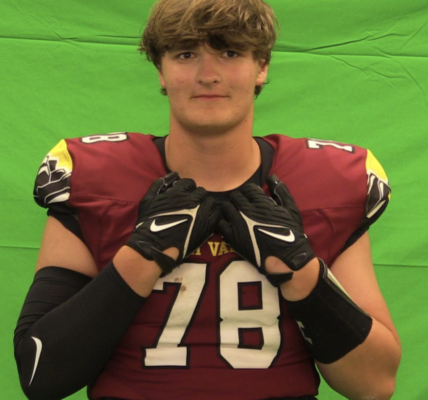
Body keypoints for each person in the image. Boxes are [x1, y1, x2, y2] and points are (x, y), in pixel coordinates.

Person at [14, 0, 401, 399]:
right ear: (161, 70)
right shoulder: (94, 178)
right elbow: (41, 374)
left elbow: (374, 385)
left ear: (261, 66)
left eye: (230, 52)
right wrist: (140, 257)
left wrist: (301, 272)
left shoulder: (326, 183)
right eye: (186, 54)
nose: (208, 75)